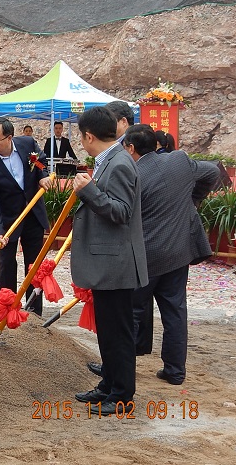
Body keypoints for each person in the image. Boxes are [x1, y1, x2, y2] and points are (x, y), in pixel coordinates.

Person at [123, 125, 219, 385]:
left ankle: (122, 369)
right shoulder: (178, 161)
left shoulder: (132, 175)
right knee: (175, 312)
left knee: (131, 312)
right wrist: (194, 200)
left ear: (130, 148)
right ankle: (175, 371)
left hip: (145, 257)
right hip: (178, 253)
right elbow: (212, 171)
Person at [71, 106, 148, 416]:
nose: (81, 142)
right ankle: (109, 385)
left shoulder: (119, 164)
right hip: (107, 263)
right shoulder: (110, 160)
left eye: (81, 136)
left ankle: (121, 395)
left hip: (116, 264)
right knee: (108, 330)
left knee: (118, 333)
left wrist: (88, 191)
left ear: (89, 136)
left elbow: (121, 212)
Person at [0, 118, 52, 315]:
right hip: (8, 221)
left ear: (9, 137)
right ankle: (7, 310)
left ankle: (33, 313)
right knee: (7, 265)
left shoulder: (27, 144)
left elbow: (41, 162)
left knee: (34, 266)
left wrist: (43, 176)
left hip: (33, 214)